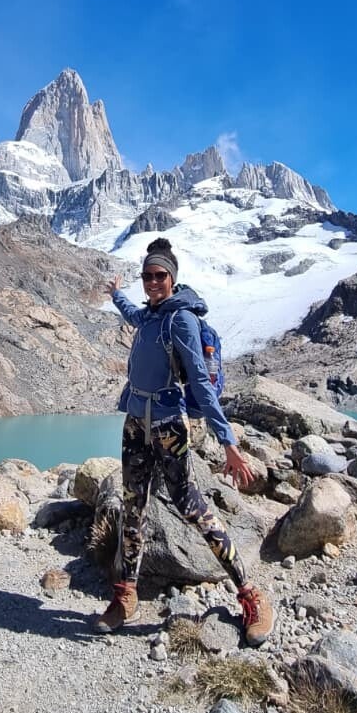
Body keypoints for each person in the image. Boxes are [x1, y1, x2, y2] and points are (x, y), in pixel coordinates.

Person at [96, 237, 274, 645]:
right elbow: (131, 314)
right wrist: (115, 293)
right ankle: (126, 594)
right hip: (135, 425)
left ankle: (251, 595)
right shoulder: (149, 315)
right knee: (133, 508)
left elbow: (200, 384)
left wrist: (227, 441)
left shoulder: (181, 320)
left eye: (159, 275)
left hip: (169, 428)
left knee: (193, 507)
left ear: (172, 279)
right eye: (147, 276)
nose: (152, 282)